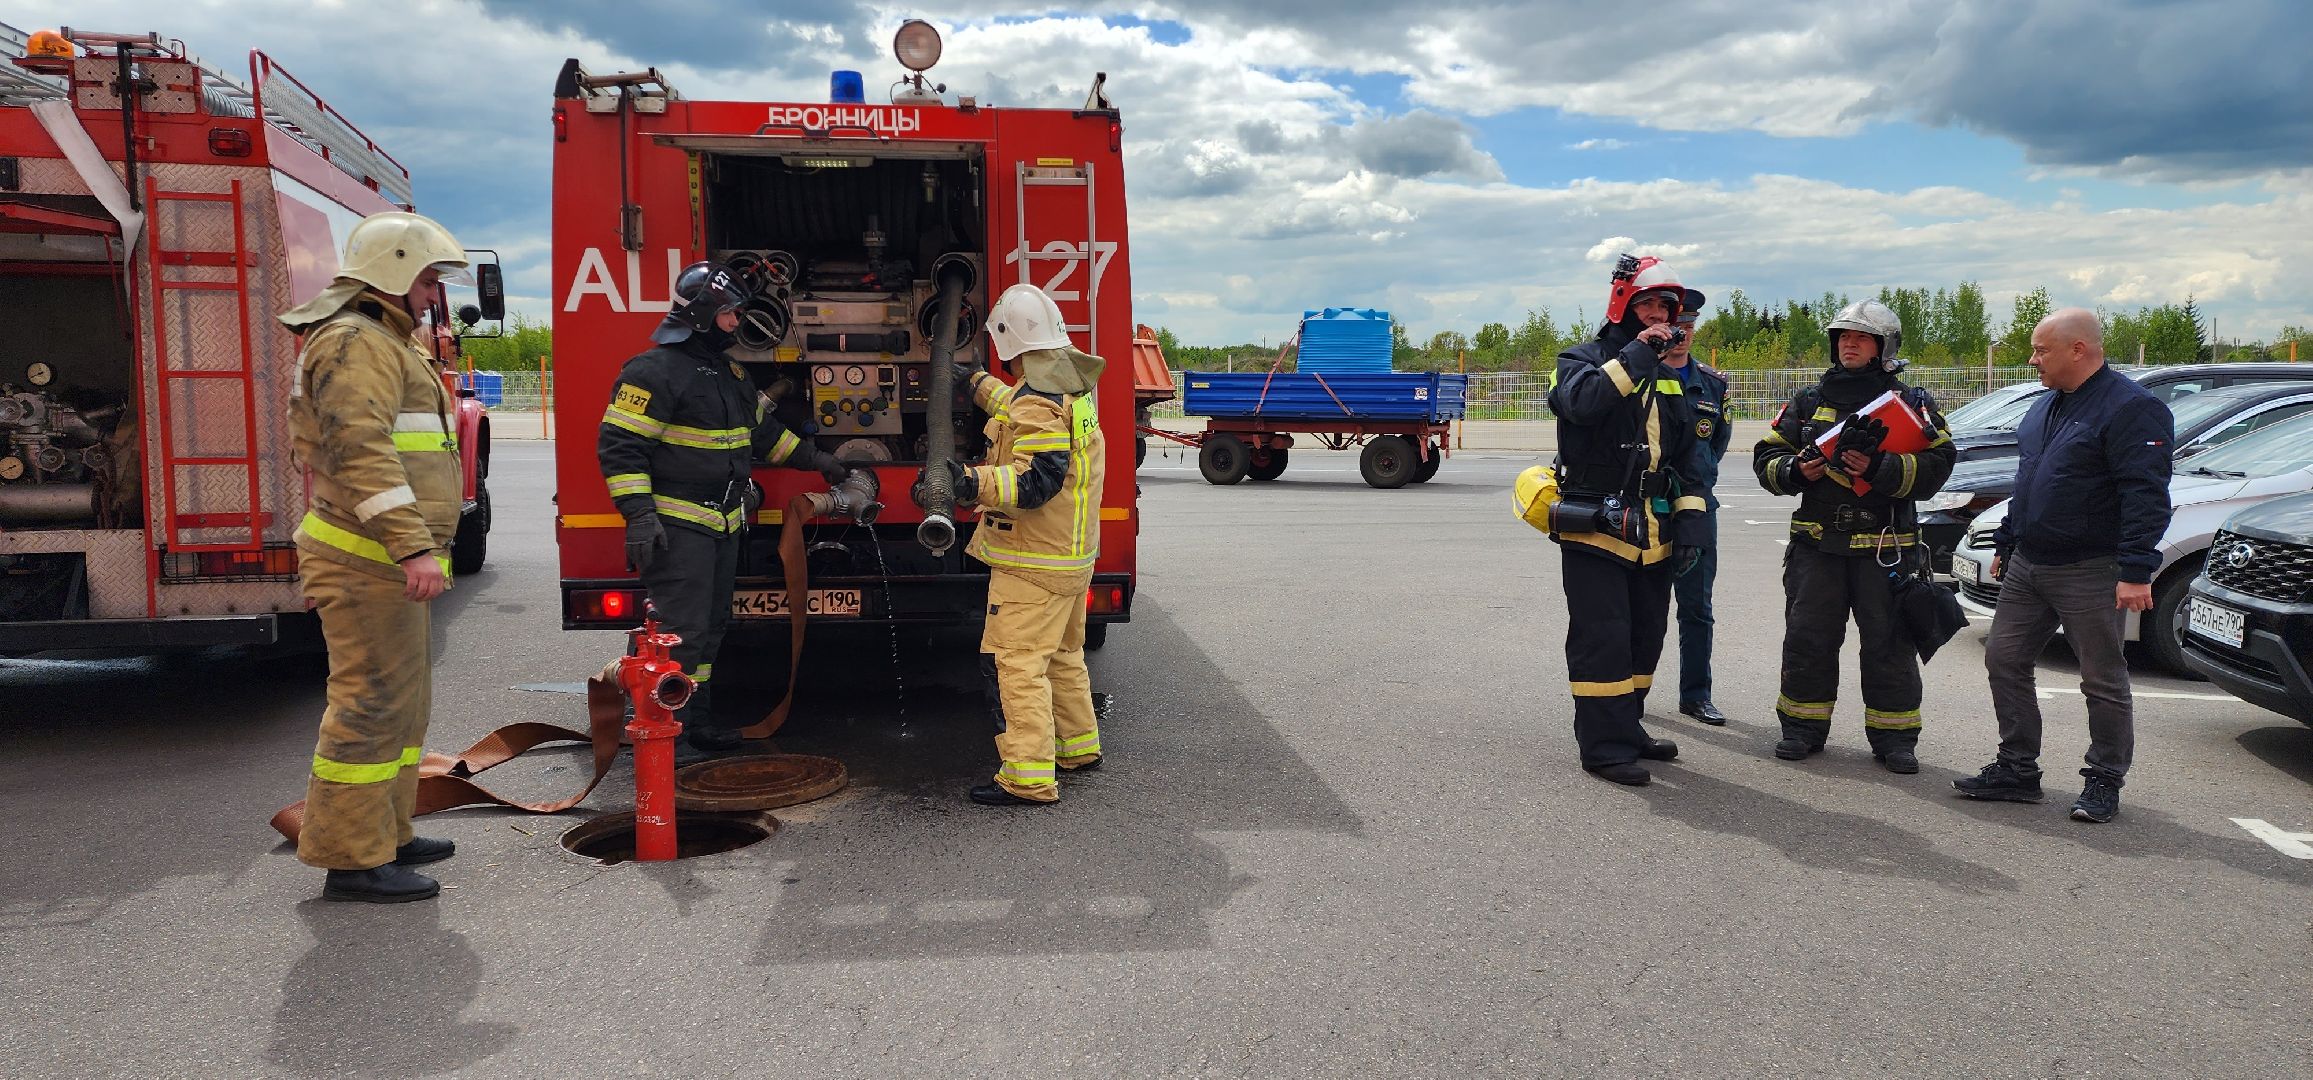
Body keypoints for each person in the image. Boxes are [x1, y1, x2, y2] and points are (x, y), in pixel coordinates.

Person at [281, 211, 472, 903]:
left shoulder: (385, 341)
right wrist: (412, 545)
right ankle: (352, 858)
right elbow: (361, 454)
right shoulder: (355, 343)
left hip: (382, 561)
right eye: (424, 278)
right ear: (390, 271)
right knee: (370, 704)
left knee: (404, 706)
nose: (430, 294)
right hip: (366, 558)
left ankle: (388, 831)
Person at [597, 260, 850, 758]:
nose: (738, 323)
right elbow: (620, 449)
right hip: (677, 529)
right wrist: (640, 516)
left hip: (722, 524)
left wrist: (825, 462)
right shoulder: (651, 371)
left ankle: (697, 720)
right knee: (680, 634)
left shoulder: (728, 373)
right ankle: (662, 732)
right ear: (704, 314)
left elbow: (767, 437)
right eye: (731, 313)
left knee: (711, 630)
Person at [1956, 308, 2173, 822]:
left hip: (2090, 568)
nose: (2033, 360)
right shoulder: (2044, 407)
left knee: (2101, 678)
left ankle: (2104, 779)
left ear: (2079, 349)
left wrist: (2136, 570)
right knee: (2004, 660)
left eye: (2041, 350)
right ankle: (2017, 769)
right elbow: (2027, 483)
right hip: (2030, 563)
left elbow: (2145, 494)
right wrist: (2007, 544)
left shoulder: (2131, 409)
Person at [1753, 299, 1955, 773]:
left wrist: (1880, 467)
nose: (1849, 343)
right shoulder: (1808, 400)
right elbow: (1766, 458)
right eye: (1843, 335)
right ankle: (1802, 729)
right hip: (1817, 548)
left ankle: (1895, 738)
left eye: (1861, 337)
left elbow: (1940, 465)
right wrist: (1796, 470)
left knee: (1889, 646)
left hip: (1885, 550)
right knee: (1808, 640)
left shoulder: (1911, 403)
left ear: (1884, 347)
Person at [925, 284, 1107, 805]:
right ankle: (1077, 747)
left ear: (1010, 340)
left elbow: (1034, 482)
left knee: (1016, 662)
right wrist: (977, 383)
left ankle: (1026, 777)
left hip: (1033, 562)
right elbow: (1024, 410)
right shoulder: (1069, 388)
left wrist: (968, 481)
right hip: (1070, 557)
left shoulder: (1038, 401)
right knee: (1063, 654)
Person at [1544, 256, 1710, 786]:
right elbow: (1582, 404)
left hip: (1653, 527)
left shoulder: (1669, 376)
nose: (1660, 314)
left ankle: (1629, 726)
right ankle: (1604, 747)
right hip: (1596, 522)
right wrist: (1638, 354)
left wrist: (1691, 526)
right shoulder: (1579, 359)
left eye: (1666, 306)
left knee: (1645, 636)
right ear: (1622, 305)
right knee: (1603, 638)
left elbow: (1688, 460)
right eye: (1648, 304)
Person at [1662, 289, 1733, 726]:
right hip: (1647, 506)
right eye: (1676, 326)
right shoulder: (1641, 373)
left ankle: (1696, 694)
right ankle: (1632, 693)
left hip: (1698, 508)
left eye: (1689, 326)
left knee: (1697, 608)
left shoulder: (1713, 383)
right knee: (1641, 608)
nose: (1683, 333)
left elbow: (1715, 447)